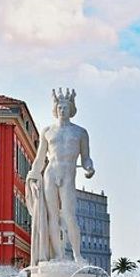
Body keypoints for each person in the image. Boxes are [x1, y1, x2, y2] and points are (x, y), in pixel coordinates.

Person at [25, 88, 94, 264]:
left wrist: (89, 168)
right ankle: (58, 255)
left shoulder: (80, 132)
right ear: (55, 110)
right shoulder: (47, 131)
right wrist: (33, 175)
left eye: (65, 107)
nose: (62, 110)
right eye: (59, 107)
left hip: (68, 174)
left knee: (70, 215)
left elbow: (86, 157)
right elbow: (40, 158)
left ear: (71, 110)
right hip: (50, 174)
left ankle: (77, 255)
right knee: (52, 216)